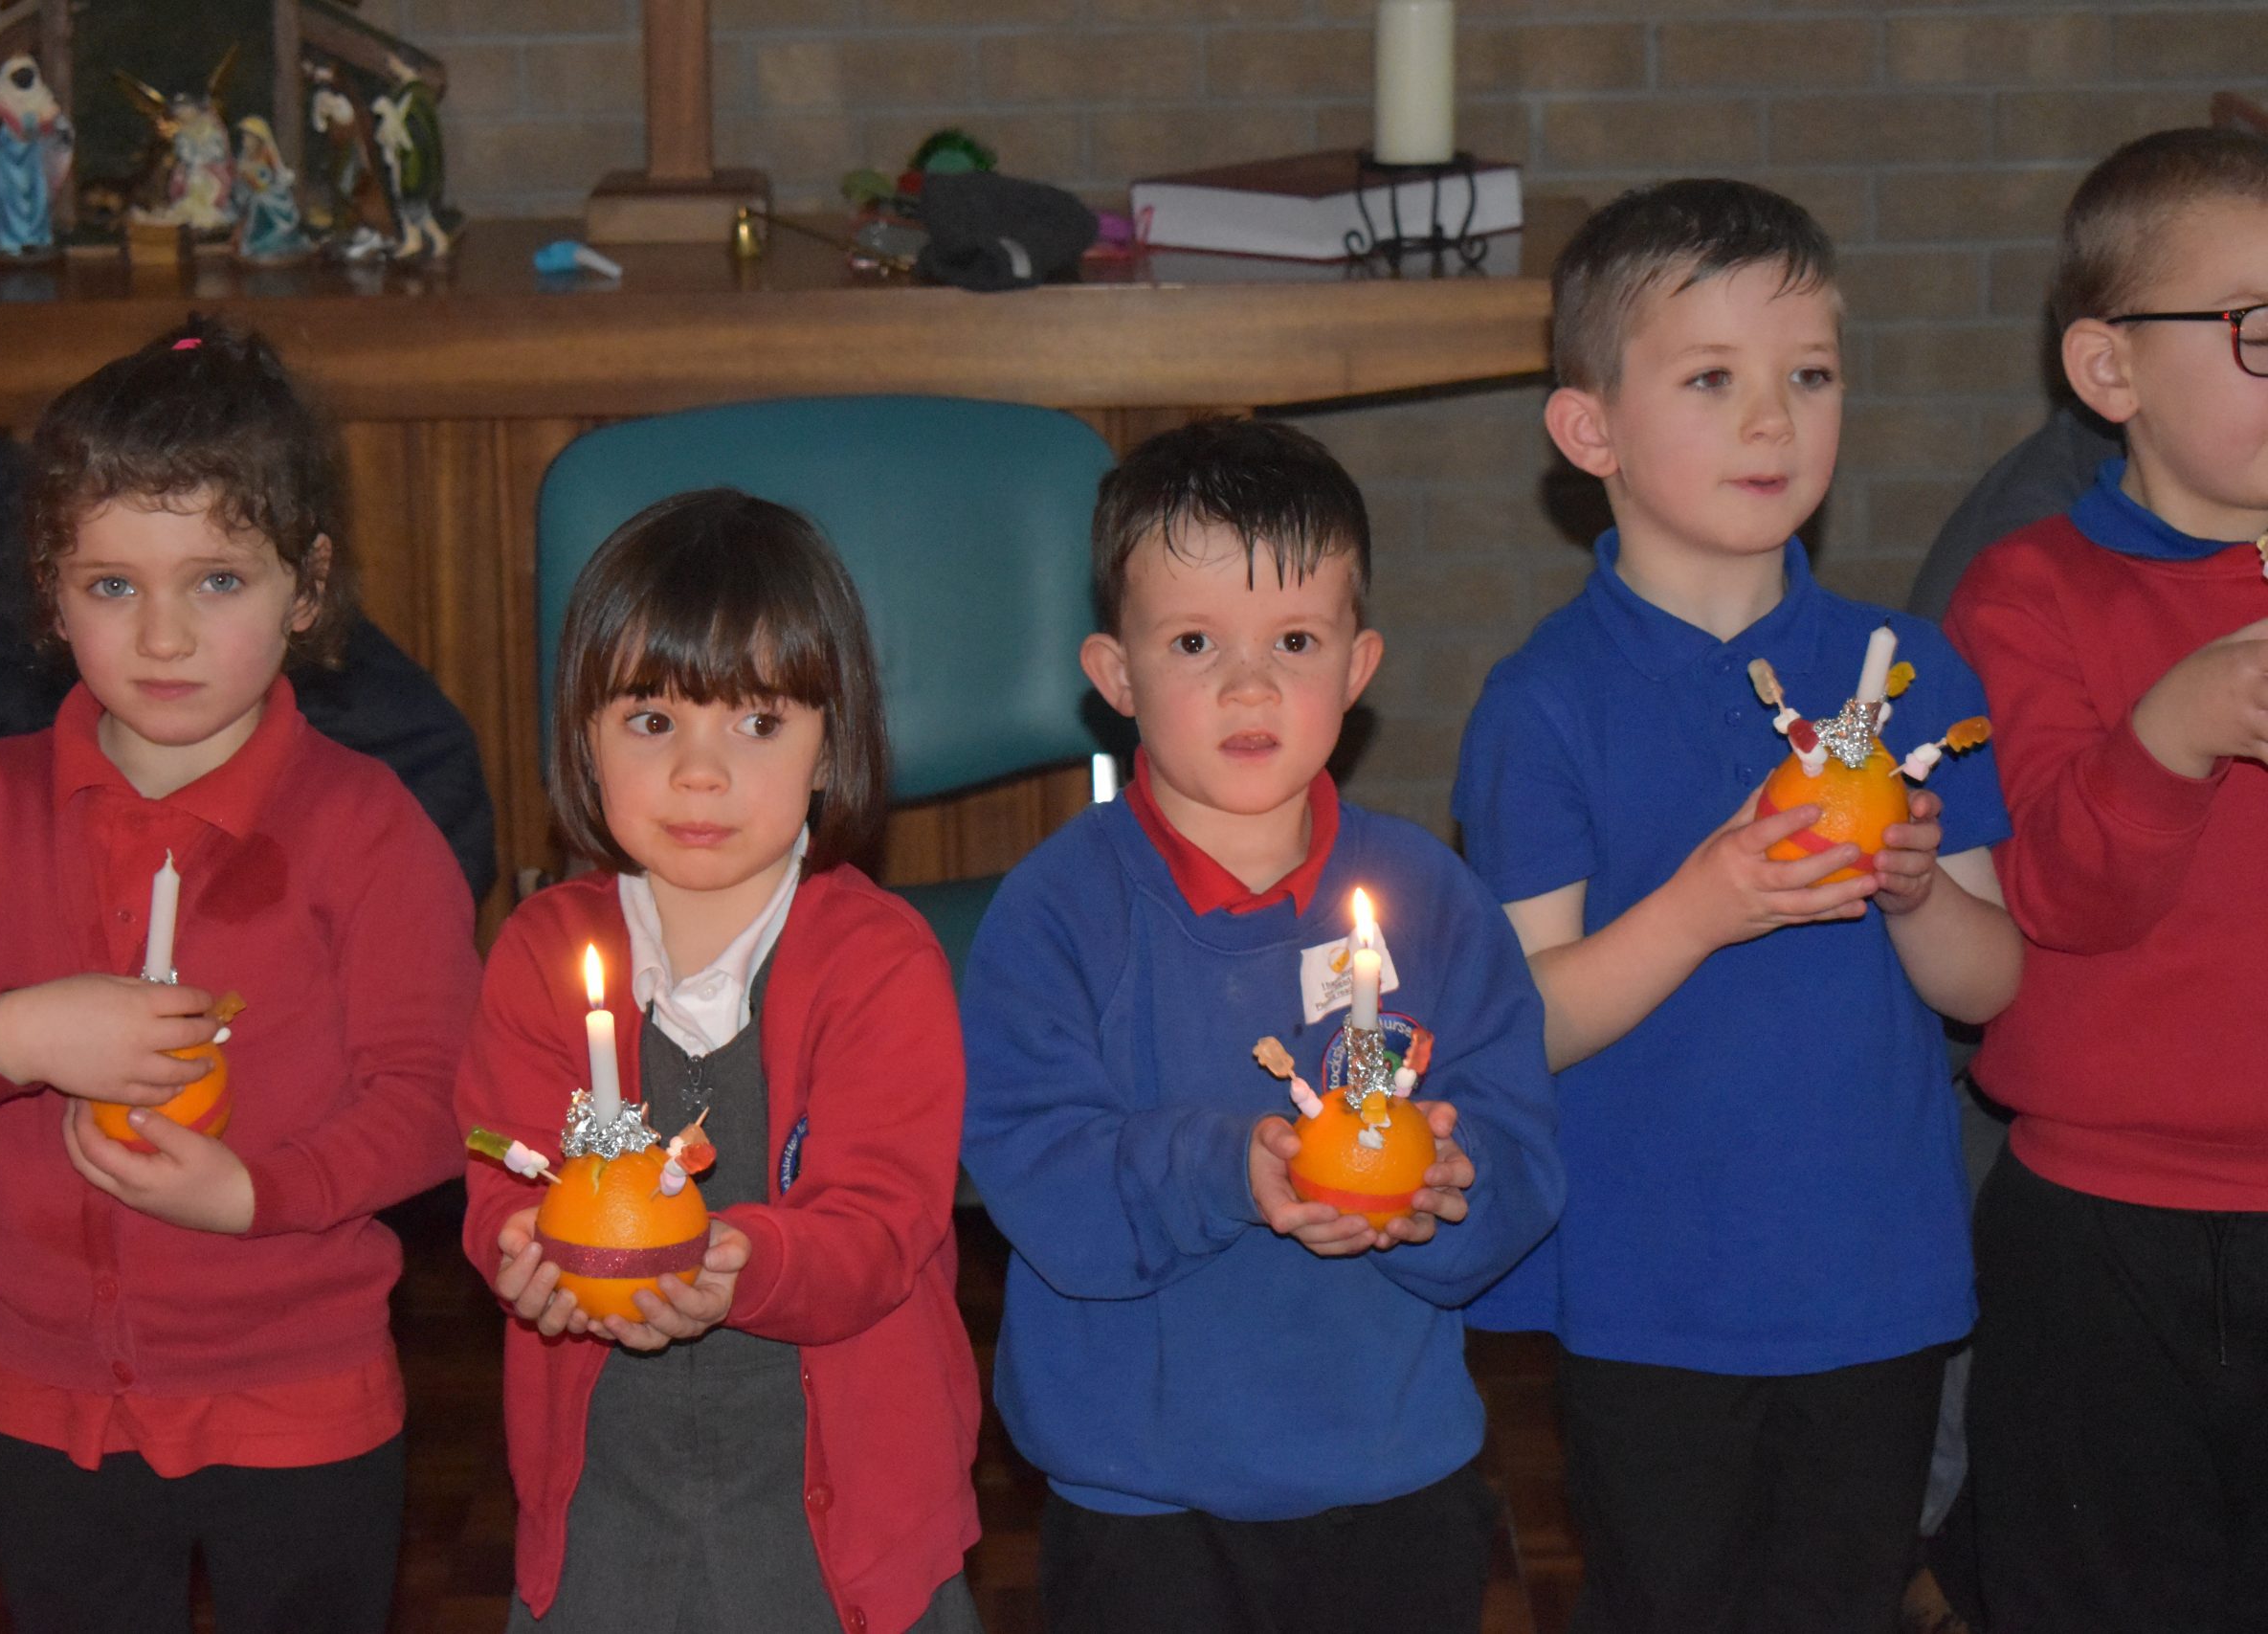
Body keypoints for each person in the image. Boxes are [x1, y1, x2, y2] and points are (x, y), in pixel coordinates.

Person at [0, 315, 480, 1634]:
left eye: (218, 580)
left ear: (306, 588)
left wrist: (256, 1192)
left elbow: (437, 1099)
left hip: (301, 1399)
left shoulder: (365, 827)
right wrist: (13, 1034)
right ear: (50, 592)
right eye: (113, 585)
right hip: (47, 1401)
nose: (165, 636)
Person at [1451, 178, 2019, 1634]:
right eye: (1712, 379)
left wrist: (1911, 893)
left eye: (1809, 376)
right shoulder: (1544, 704)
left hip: (1875, 1275)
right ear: (1590, 432)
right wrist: (1703, 904)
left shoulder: (1908, 673)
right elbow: (1524, 1021)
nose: (1774, 420)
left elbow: (1987, 985)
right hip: (1651, 1287)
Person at [959, 418, 1565, 1634]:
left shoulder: (1435, 903)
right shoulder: (1054, 913)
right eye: (1194, 643)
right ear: (1115, 674)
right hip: (1140, 1498)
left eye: (1294, 640)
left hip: (1392, 1476)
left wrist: (1447, 1187)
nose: (1250, 686)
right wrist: (1230, 1168)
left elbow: (1521, 1159)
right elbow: (1037, 1178)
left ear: (1357, 664)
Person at [456, 489, 982, 1634]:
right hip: (608, 1508)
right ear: (584, 741)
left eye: (756, 723)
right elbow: (504, 1166)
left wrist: (745, 1263)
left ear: (831, 744)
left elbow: (882, 1224)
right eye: (651, 721)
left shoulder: (878, 962)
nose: (700, 774)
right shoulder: (541, 953)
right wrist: (516, 1244)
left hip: (841, 1522)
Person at [1940, 125, 2268, 1634]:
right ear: (2110, 366)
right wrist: (2172, 730)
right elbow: (2057, 900)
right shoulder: (2031, 591)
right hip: (2100, 1217)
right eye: (2258, 328)